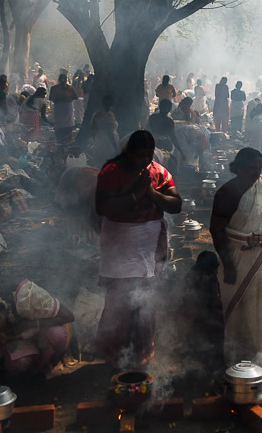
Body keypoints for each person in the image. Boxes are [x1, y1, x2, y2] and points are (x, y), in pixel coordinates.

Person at [95, 130, 182, 367]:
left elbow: (176, 204)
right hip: (121, 241)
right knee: (119, 297)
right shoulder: (112, 172)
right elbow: (103, 208)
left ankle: (143, 351)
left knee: (147, 297)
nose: (144, 160)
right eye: (140, 155)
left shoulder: (159, 172)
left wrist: (151, 193)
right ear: (129, 152)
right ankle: (113, 354)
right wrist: (135, 195)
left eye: (149, 155)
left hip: (150, 241)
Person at [209, 148, 262, 365]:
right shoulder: (228, 192)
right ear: (239, 167)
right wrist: (227, 264)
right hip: (239, 257)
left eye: (259, 168)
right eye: (252, 168)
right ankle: (239, 361)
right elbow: (216, 229)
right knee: (240, 310)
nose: (257, 173)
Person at [0, 280, 74, 388]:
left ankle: (49, 366)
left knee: (57, 335)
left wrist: (32, 324)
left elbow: (69, 316)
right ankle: (32, 373)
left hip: (46, 333)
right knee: (17, 363)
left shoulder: (26, 299)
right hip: (27, 344)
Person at [89, 95, 120, 168]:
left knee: (99, 165)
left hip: (98, 141)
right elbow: (110, 133)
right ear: (111, 105)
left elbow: (92, 130)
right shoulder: (109, 115)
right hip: (108, 144)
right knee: (108, 166)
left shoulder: (96, 114)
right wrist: (116, 148)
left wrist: (95, 141)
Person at [49, 73, 79, 144]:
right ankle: (65, 141)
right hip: (66, 108)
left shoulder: (54, 88)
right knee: (66, 126)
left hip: (60, 108)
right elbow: (75, 97)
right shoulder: (70, 88)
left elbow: (51, 98)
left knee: (61, 126)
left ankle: (61, 141)